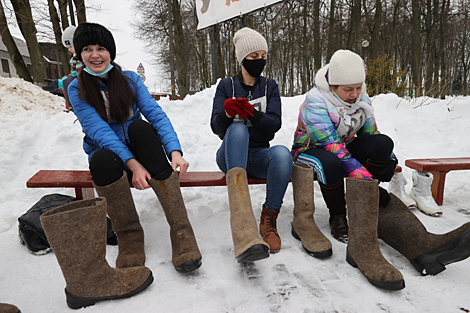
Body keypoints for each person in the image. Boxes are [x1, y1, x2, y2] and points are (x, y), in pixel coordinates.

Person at [292, 49, 470, 290]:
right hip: (312, 149)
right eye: (348, 90)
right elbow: (329, 145)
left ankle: (409, 236)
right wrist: (363, 176)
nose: (355, 94)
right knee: (331, 162)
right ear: (333, 85)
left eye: (358, 87)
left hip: (343, 146)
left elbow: (371, 134)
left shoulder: (361, 98)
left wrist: (389, 159)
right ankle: (338, 216)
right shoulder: (316, 101)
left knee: (383, 143)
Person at [68, 23, 202, 272]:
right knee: (100, 160)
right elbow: (98, 131)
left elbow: (155, 114)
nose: (95, 55)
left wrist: (175, 151)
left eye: (101, 48)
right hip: (114, 159)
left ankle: (182, 232)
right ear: (79, 53)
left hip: (144, 153)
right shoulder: (77, 88)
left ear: (111, 52)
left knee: (141, 129)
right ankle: (130, 238)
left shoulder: (129, 80)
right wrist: (133, 164)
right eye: (87, 49)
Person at [210, 27, 293, 262]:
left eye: (263, 56)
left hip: (256, 155)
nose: (260, 61)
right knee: (236, 128)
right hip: (229, 154)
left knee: (283, 154)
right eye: (254, 57)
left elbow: (274, 125)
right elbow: (216, 127)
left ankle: (269, 218)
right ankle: (243, 223)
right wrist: (227, 113)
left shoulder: (270, 86)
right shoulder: (226, 85)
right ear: (242, 58)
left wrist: (252, 115)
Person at [42, 25, 82, 111]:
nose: (69, 50)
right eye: (67, 47)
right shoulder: (76, 60)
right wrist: (58, 83)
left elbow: (80, 81)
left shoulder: (84, 60)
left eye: (70, 46)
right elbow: (75, 78)